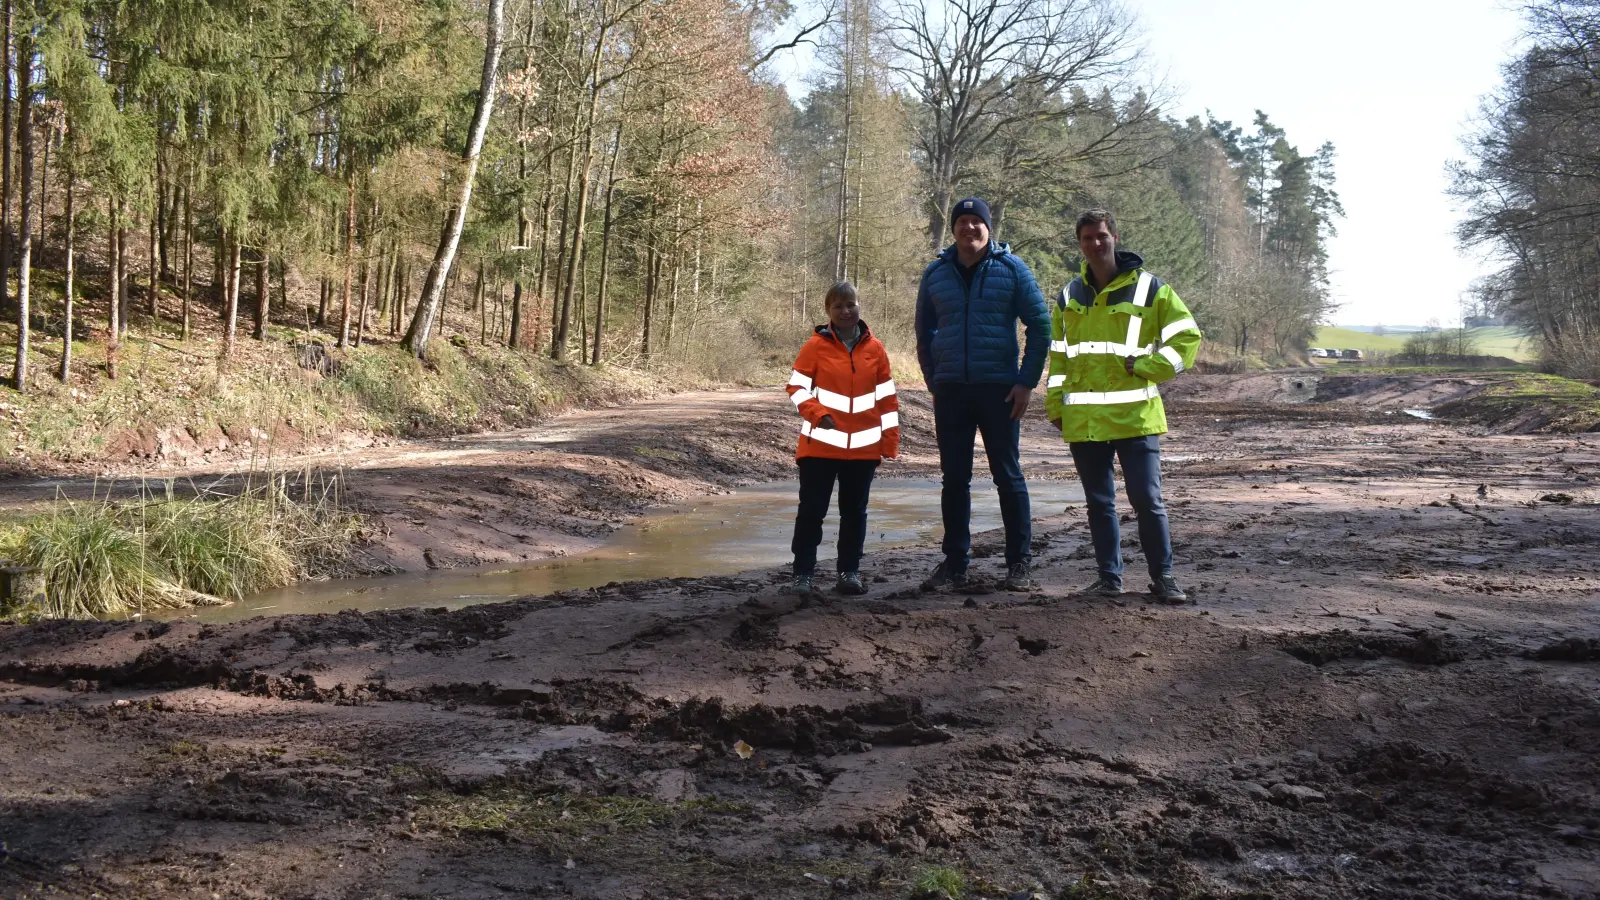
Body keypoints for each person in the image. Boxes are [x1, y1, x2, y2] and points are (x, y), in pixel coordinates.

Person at [1044, 209, 1202, 603]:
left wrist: (1150, 367)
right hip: (1084, 418)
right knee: (1099, 504)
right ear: (1079, 244)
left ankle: (1163, 577)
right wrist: (1055, 406)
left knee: (1148, 501)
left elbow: (1187, 338)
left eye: (1101, 236)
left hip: (1136, 416)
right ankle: (1108, 578)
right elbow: (1059, 355)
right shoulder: (1068, 295)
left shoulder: (1151, 289)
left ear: (1114, 236)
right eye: (1087, 238)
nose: (1095, 244)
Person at [914, 197, 1050, 592]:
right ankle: (955, 563)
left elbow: (1040, 326)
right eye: (963, 222)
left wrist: (1026, 382)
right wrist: (933, 381)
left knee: (1008, 476)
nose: (969, 228)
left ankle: (1019, 563)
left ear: (989, 228)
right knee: (953, 479)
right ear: (954, 228)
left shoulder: (1012, 269)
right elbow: (924, 332)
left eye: (977, 222)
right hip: (952, 390)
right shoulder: (935, 273)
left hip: (1000, 390)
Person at [785, 281, 901, 595]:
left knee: (854, 514)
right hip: (819, 447)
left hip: (863, 450)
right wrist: (816, 413)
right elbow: (796, 388)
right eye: (838, 306)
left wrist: (889, 441)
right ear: (828, 312)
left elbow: (887, 399)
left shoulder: (875, 348)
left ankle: (849, 573)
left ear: (859, 306)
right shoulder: (815, 346)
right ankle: (802, 576)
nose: (845, 311)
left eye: (850, 304)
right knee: (811, 512)